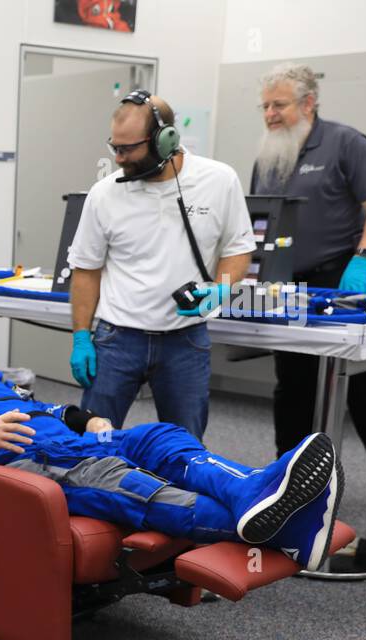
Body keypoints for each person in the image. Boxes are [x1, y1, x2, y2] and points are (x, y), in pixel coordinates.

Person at [0, 303, 345, 570]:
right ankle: (286, 530)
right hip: (25, 460)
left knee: (158, 438)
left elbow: (32, 405)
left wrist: (80, 415)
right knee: (129, 483)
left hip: (68, 439)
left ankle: (254, 490)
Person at [251, 62, 366, 514]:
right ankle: (290, 478)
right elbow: (258, 218)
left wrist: (364, 258)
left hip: (339, 276)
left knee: (357, 380)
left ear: (308, 103)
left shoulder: (346, 143)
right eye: (266, 106)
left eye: (280, 104)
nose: (271, 114)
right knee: (292, 381)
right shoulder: (269, 155)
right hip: (286, 282)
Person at [66, 91, 256, 439]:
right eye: (115, 147)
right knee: (92, 443)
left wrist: (222, 287)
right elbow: (86, 269)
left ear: (165, 139)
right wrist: (81, 336)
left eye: (128, 149)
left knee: (185, 447)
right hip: (117, 337)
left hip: (186, 341)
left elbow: (238, 247)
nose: (119, 158)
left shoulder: (219, 180)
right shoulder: (104, 193)